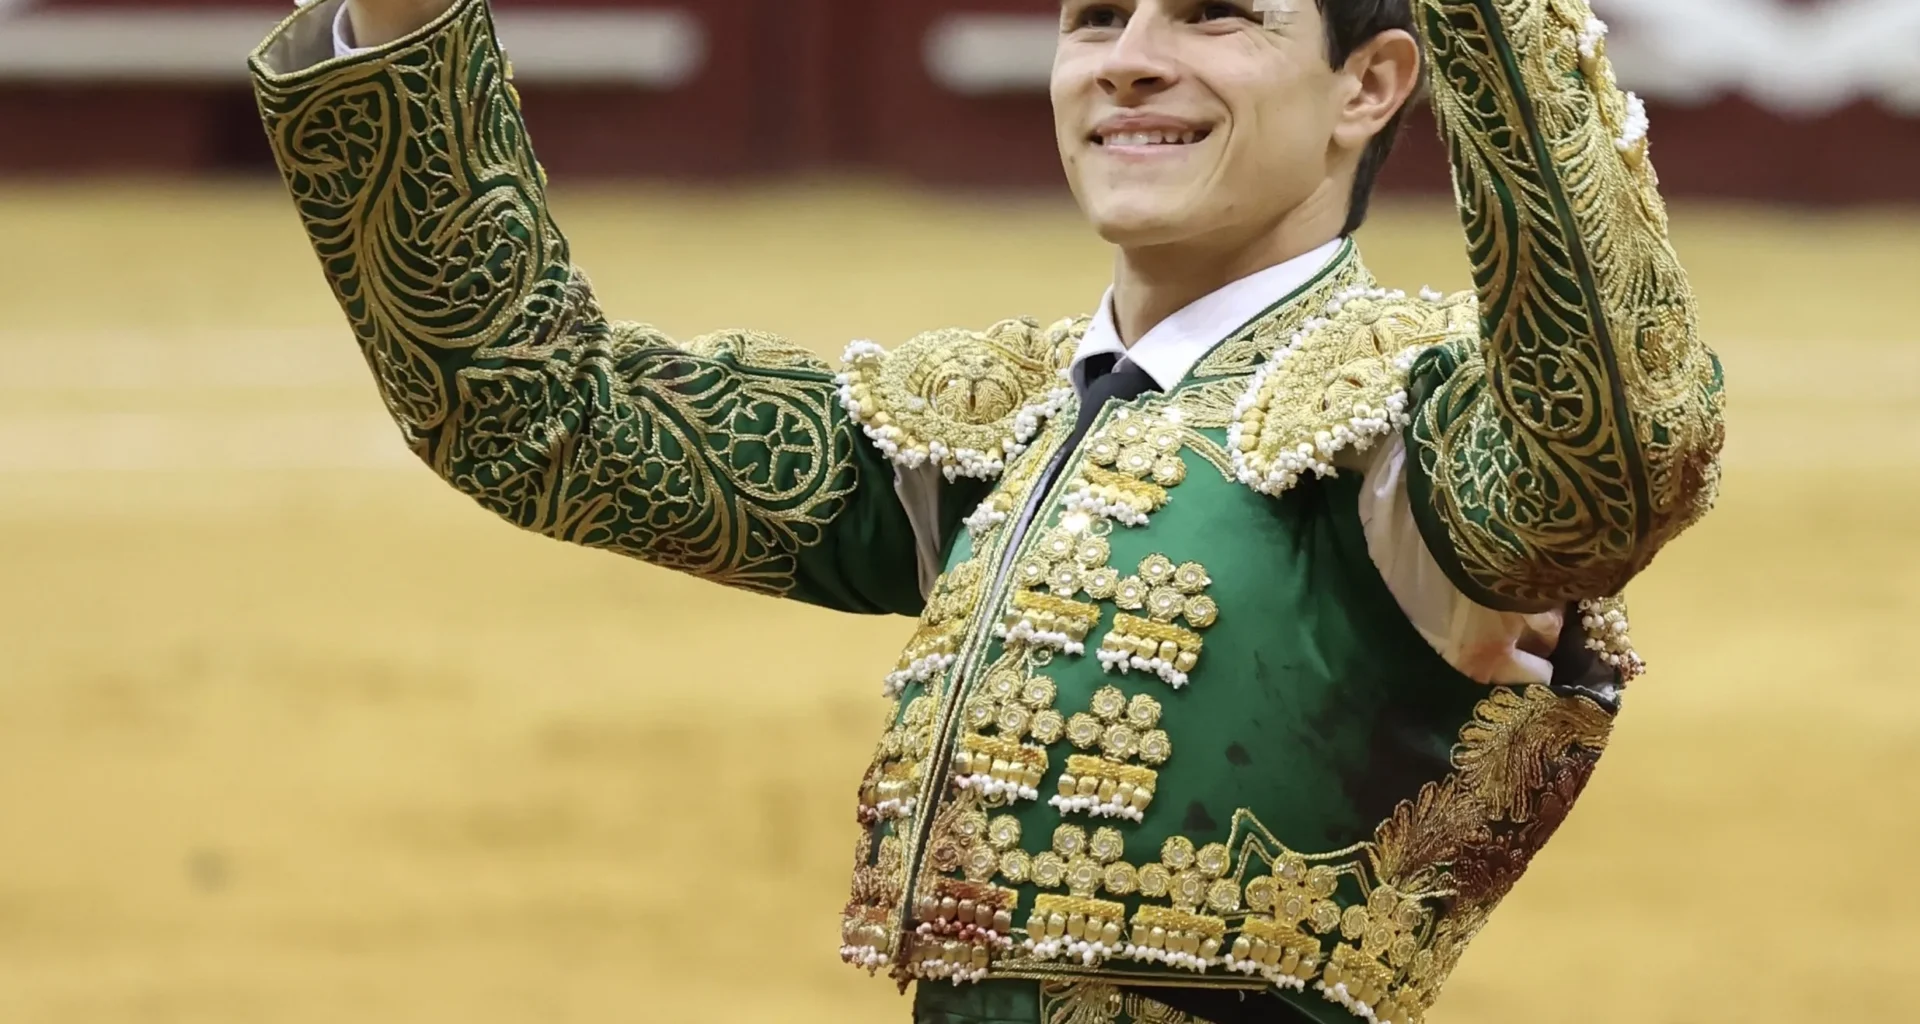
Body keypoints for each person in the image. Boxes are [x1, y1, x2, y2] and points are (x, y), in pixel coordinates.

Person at [248, 0, 1724, 1021]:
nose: (1130, 62)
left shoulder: (1401, 426)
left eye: (1214, 16)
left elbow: (1614, 442)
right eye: (1093, 21)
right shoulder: (995, 424)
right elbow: (534, 411)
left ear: (1373, 83)